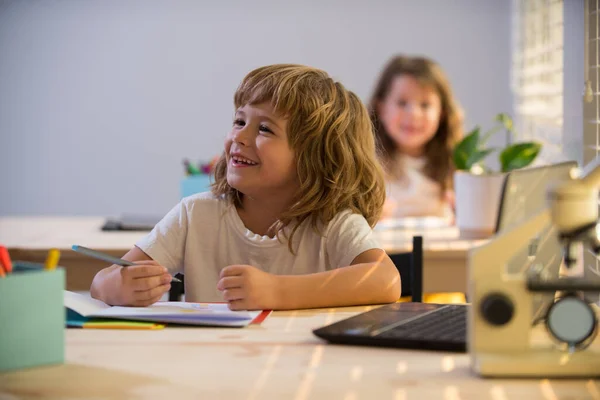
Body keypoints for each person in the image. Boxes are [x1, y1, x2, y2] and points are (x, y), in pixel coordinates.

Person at [90, 64, 401, 310]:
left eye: (264, 128)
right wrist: (117, 287)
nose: (238, 137)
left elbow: (386, 281)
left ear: (316, 158)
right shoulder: (196, 214)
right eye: (239, 122)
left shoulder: (333, 224)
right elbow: (103, 280)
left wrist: (276, 291)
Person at [368, 55, 463, 220]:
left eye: (425, 105)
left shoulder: (458, 166)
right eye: (402, 103)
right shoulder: (367, 163)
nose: (413, 114)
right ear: (381, 109)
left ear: (442, 113)